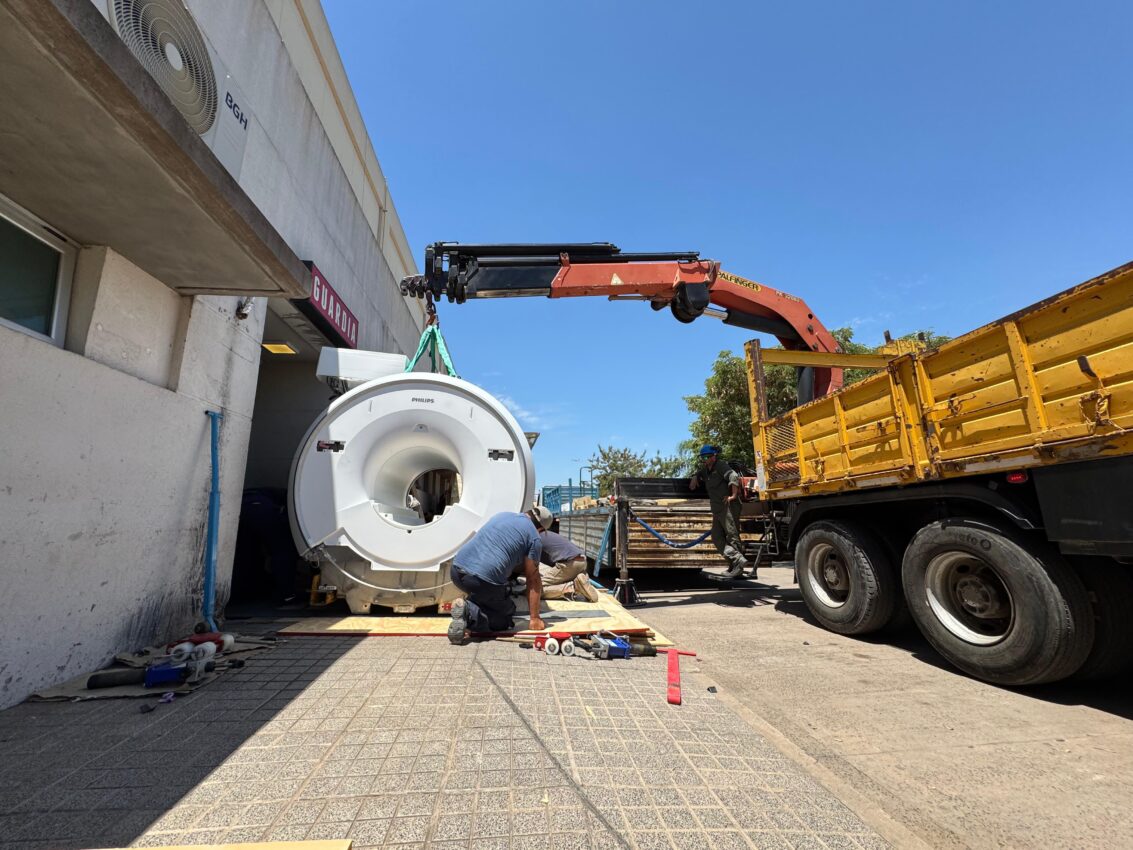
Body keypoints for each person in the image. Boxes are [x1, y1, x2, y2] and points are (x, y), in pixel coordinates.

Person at [448, 506, 555, 643]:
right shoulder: (534, 538)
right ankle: (469, 612)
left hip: (457, 570)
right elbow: (533, 579)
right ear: (541, 530)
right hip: (481, 580)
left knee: (489, 594)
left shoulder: (502, 515)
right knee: (504, 619)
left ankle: (470, 605)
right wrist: (534, 618)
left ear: (527, 513)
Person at [689, 444, 752, 578]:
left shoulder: (721, 466)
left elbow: (733, 476)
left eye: (707, 457)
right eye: (702, 457)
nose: (704, 459)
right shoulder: (706, 470)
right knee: (717, 537)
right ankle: (737, 560)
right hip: (717, 509)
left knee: (732, 536)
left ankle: (737, 567)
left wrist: (733, 496)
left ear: (714, 456)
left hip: (728, 506)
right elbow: (698, 476)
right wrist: (695, 476)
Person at [534, 529, 599, 602]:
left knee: (534, 589)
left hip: (569, 564)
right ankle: (579, 579)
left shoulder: (535, 539)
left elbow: (531, 565)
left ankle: (572, 588)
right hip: (582, 561)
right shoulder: (548, 534)